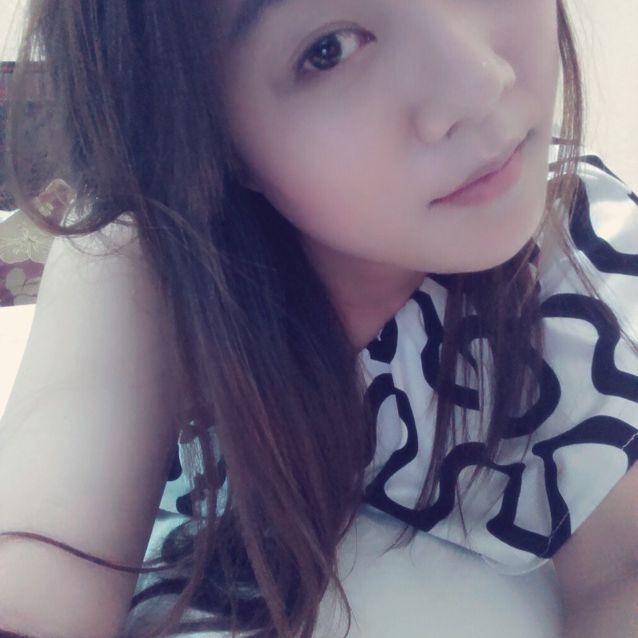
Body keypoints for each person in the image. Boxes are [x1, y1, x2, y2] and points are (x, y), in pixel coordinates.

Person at [0, 1, 636, 637]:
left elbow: (623, 575)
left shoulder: (588, 264)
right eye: (329, 49)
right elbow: (40, 566)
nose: (480, 81)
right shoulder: (149, 260)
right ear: (210, 136)